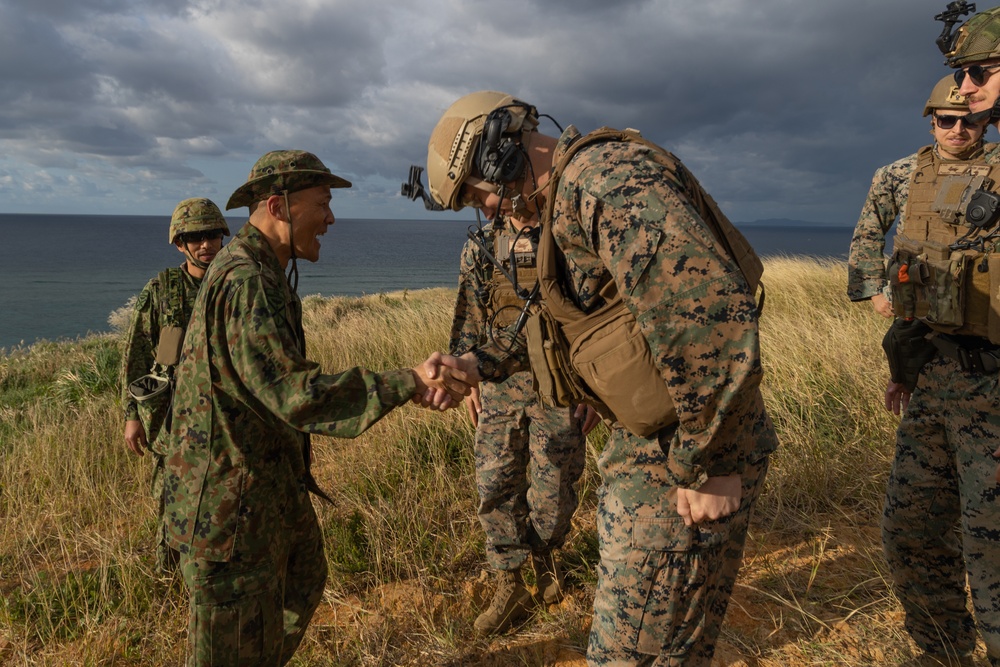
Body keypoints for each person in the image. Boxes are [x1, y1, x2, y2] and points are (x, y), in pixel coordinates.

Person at [417, 92, 778, 666]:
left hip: (688, 449)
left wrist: (711, 462)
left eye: (474, 192)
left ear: (499, 155)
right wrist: (475, 366)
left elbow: (710, 316)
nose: (483, 210)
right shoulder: (561, 205)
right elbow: (544, 327)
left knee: (633, 651)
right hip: (649, 442)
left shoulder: (605, 181)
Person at [162, 150, 469, 666]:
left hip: (261, 491)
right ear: (280, 206)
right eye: (322, 204)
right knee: (231, 646)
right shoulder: (246, 281)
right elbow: (294, 394)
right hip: (228, 510)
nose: (331, 218)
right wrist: (409, 381)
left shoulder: (259, 271)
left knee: (302, 580)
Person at [872, 7, 1000, 666]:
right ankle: (943, 650)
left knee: (994, 553)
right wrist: (904, 363)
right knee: (912, 533)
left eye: (978, 72)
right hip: (940, 377)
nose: (965, 91)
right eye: (958, 76)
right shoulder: (928, 180)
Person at [442, 205, 599, 632]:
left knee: (555, 486)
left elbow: (595, 320)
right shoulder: (480, 245)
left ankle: (548, 562)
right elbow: (469, 319)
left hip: (562, 386)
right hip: (498, 386)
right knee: (495, 484)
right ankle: (508, 582)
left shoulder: (565, 235)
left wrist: (594, 391)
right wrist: (468, 379)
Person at [120, 197, 229, 573]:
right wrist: (132, 414)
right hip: (173, 421)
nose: (206, 245)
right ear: (180, 243)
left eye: (212, 235)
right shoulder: (162, 289)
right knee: (170, 500)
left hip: (225, 417)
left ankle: (211, 570)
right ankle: (168, 577)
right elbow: (136, 353)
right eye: (195, 237)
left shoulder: (234, 284)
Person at [848, 75, 990, 318]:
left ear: (985, 123)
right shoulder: (897, 173)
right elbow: (868, 234)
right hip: (916, 304)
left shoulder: (997, 168)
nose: (958, 129)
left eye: (969, 120)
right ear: (933, 123)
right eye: (947, 120)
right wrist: (875, 292)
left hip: (985, 305)